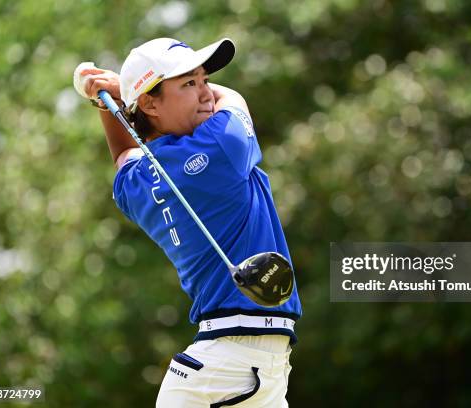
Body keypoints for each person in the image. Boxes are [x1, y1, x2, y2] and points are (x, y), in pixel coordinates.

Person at [74, 37, 302, 407]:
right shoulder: (221, 147)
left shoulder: (135, 185)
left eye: (204, 79)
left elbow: (125, 153)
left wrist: (111, 102)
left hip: (231, 367)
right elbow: (235, 100)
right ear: (149, 102)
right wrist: (117, 89)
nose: (207, 93)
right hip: (231, 366)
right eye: (189, 83)